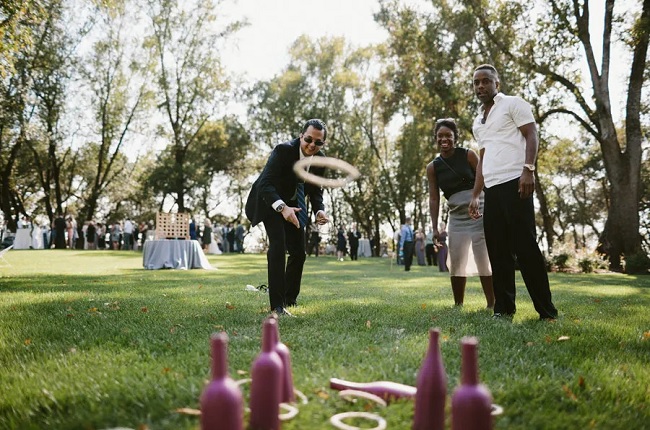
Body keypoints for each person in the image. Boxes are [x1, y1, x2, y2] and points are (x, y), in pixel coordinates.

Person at [469, 64, 558, 321]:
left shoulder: (513, 104)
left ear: (497, 83)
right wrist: (476, 194)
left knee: (526, 247)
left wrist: (528, 170)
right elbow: (483, 159)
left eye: (486, 81)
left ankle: (547, 311)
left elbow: (531, 134)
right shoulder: (478, 122)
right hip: (492, 189)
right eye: (476, 83)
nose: (481, 86)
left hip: (515, 182)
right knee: (498, 251)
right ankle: (504, 309)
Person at [245, 118, 329, 316]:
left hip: (295, 205)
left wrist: (319, 210)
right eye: (308, 139)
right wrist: (282, 208)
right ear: (301, 136)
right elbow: (265, 183)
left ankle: (290, 300)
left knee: (299, 253)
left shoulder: (319, 159)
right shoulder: (283, 151)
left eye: (318, 142)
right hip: (270, 201)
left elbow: (315, 190)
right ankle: (277, 306)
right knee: (278, 246)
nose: (312, 145)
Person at [426, 118, 494, 308]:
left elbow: (484, 176)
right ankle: (458, 304)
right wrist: (434, 228)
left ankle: (491, 303)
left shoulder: (468, 155)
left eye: (448, 135)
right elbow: (434, 198)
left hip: (478, 211)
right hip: (456, 216)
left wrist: (475, 196)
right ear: (436, 138)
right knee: (456, 260)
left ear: (455, 137)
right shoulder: (433, 167)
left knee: (483, 257)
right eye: (440, 136)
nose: (444, 139)